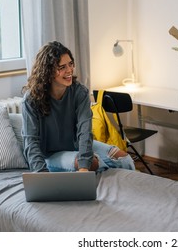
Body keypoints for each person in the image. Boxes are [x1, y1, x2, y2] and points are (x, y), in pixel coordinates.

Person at [21, 41, 135, 173]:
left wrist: (83, 166)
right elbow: (31, 141)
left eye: (70, 64)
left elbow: (85, 131)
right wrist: (42, 176)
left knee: (124, 159)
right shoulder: (31, 99)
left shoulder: (80, 92)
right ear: (47, 71)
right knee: (93, 163)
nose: (69, 70)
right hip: (49, 155)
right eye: (62, 67)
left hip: (74, 145)